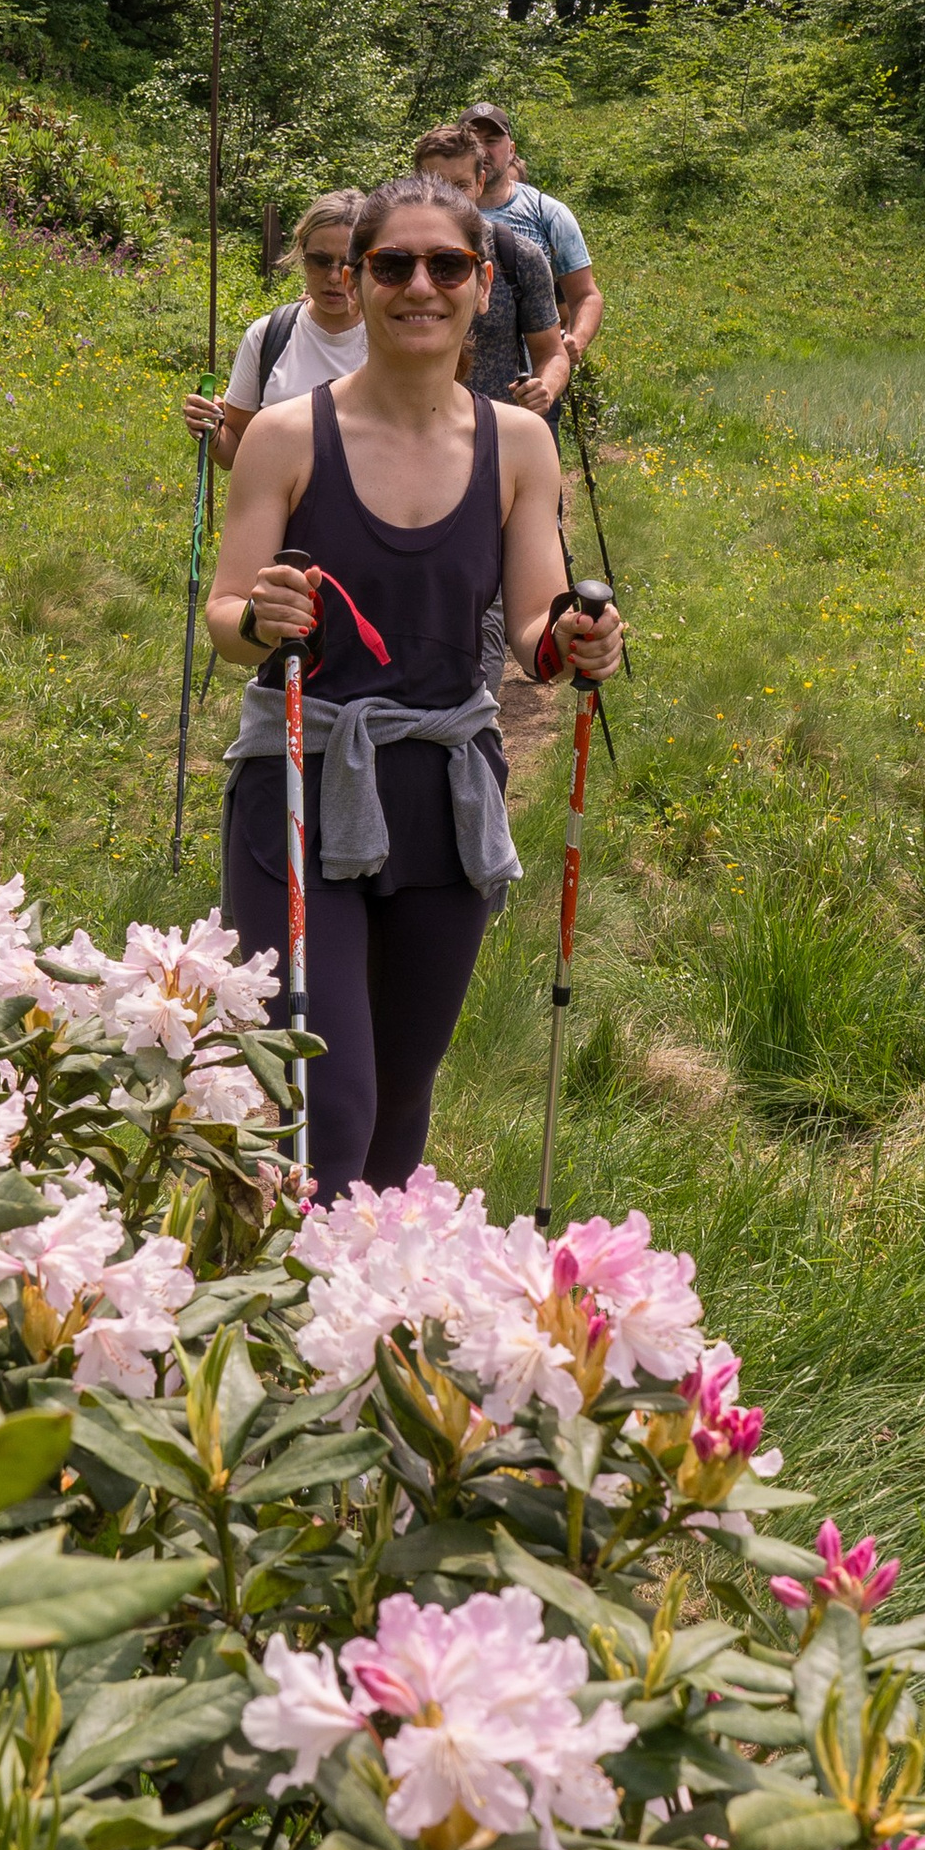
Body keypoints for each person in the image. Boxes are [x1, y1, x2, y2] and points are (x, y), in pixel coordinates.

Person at [205, 174, 623, 1191]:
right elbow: (224, 618)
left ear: (484, 285)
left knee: (399, 1102)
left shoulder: (518, 443)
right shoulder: (287, 436)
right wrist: (262, 617)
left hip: (444, 792)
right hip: (300, 784)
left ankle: (372, 1331)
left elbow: (531, 629)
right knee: (323, 1106)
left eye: (447, 265)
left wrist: (576, 637)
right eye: (393, 264)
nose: (419, 286)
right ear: (354, 279)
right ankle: (287, 1321)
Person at [182, 190, 363, 470]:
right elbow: (236, 452)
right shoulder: (268, 335)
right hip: (277, 511)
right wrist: (211, 428)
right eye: (320, 260)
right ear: (302, 252)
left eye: (348, 263)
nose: (334, 276)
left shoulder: (392, 341)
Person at [413, 117, 564, 414]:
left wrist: (545, 387)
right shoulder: (389, 261)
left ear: (480, 183)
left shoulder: (518, 256)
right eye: (437, 184)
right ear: (416, 185)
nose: (450, 198)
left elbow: (551, 352)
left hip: (498, 432)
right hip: (408, 431)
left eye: (461, 185)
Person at [450, 102, 602, 385]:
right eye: (473, 142)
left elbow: (585, 295)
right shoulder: (433, 214)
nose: (483, 151)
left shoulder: (547, 213)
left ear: (512, 150)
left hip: (532, 383)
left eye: (492, 141)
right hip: (444, 383)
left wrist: (576, 339)